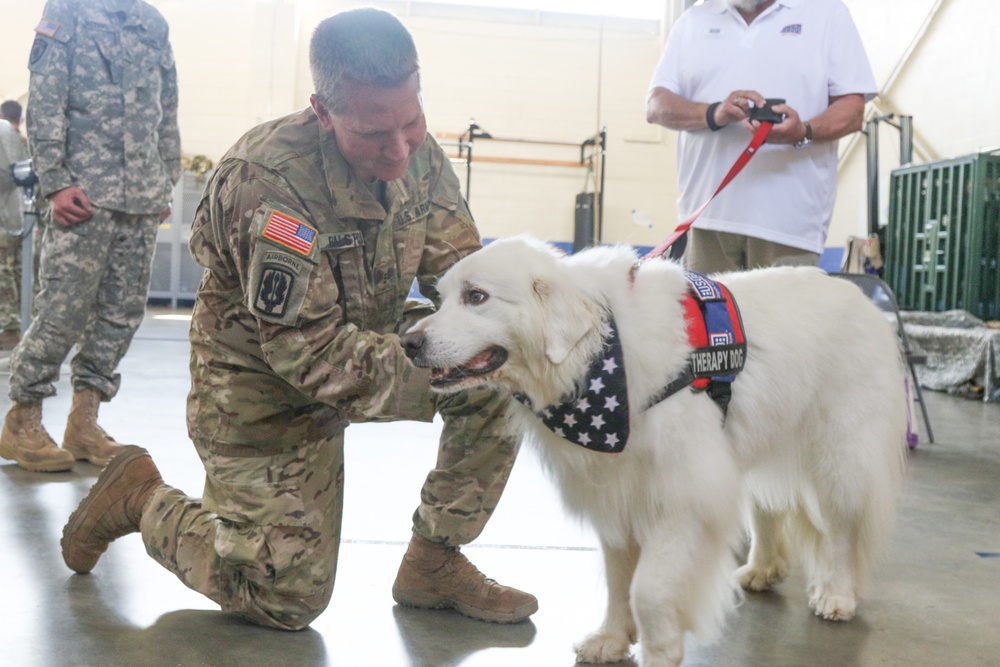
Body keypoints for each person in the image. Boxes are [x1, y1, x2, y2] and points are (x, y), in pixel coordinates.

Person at [60, 8, 537, 631]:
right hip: (259, 385)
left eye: (411, 122)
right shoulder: (269, 187)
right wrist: (452, 364)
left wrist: (519, 342)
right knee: (286, 599)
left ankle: (435, 560)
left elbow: (463, 279)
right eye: (372, 134)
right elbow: (306, 355)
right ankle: (139, 497)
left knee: (503, 375)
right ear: (322, 110)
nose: (398, 151)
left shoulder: (417, 153)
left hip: (365, 339)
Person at [0, 0, 181, 472]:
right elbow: (45, 98)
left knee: (121, 315)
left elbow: (168, 106)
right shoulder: (69, 10)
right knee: (62, 310)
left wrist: (165, 177)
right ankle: (22, 421)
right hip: (83, 193)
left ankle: (84, 423)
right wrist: (55, 179)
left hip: (140, 196)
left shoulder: (152, 23)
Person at [645, 0, 877, 273]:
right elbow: (656, 105)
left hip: (788, 225)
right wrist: (713, 113)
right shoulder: (694, 19)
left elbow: (852, 111)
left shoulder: (827, 13)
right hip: (705, 221)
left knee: (784, 316)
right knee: (708, 316)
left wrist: (803, 131)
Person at [0, 100, 28, 351]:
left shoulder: (5, 141)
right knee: (20, 272)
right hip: (24, 220)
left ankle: (11, 327)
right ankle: (21, 325)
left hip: (7, 219)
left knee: (4, 272)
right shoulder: (25, 144)